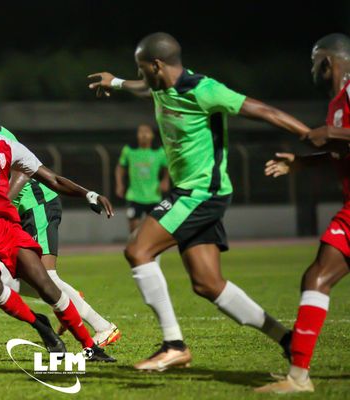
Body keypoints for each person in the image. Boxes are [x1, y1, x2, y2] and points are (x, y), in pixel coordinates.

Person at [88, 32, 311, 371]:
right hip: (194, 192)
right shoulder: (161, 86)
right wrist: (116, 82)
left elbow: (260, 109)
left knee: (138, 249)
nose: (140, 74)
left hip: (201, 192)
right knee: (208, 284)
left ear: (156, 65)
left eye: (141, 68)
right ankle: (287, 340)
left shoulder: (203, 89)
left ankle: (173, 345)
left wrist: (308, 137)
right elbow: (143, 87)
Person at [0, 80, 115, 361]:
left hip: (6, 228)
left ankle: (90, 346)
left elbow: (52, 178)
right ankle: (39, 323)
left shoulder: (8, 146)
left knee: (46, 284)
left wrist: (88, 193)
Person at [256, 33, 350, 394]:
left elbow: (338, 138)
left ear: (327, 62)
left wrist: (331, 131)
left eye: (314, 62)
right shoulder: (337, 104)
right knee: (317, 278)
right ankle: (298, 377)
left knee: (317, 278)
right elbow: (342, 152)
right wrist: (301, 164)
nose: (312, 69)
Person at [0, 124, 121, 347]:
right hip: (19, 212)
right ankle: (67, 299)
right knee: (4, 277)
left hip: (37, 204)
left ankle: (102, 327)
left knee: (45, 277)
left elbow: (23, 171)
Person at [115, 123, 169, 233]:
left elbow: (167, 167)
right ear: (137, 135)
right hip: (134, 196)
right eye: (141, 132)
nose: (144, 135)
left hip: (153, 196)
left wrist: (165, 180)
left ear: (152, 135)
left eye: (147, 132)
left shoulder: (159, 152)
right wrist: (119, 184)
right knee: (134, 227)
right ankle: (135, 247)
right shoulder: (129, 150)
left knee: (154, 228)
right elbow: (120, 167)